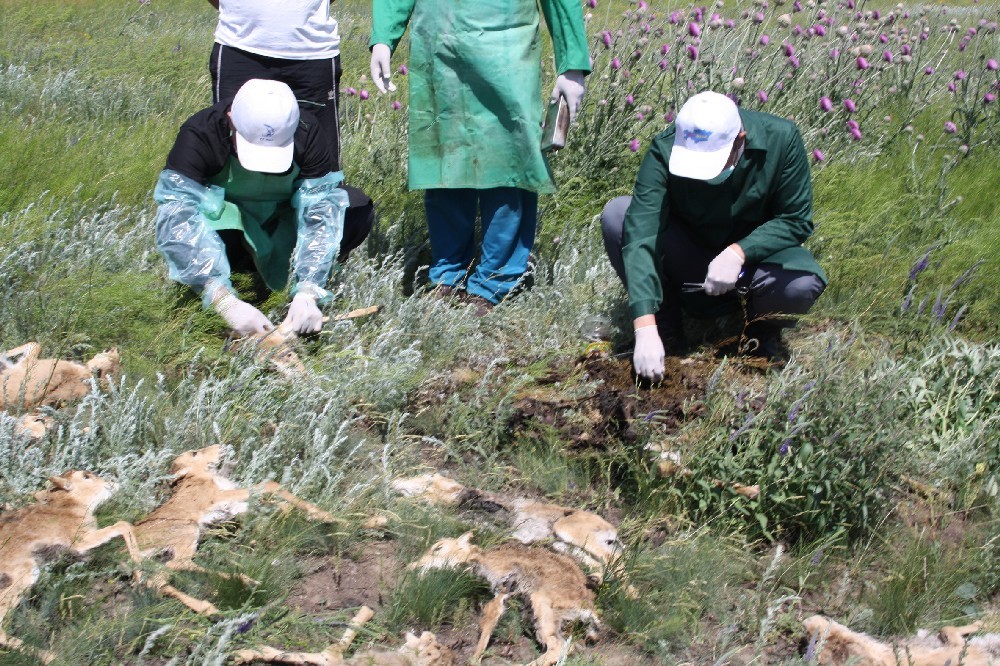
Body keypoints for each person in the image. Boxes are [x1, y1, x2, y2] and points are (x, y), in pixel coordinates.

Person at [369, 0, 590, 312]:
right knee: (447, 154)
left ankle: (495, 279)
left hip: (505, 44)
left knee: (508, 157)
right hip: (440, 44)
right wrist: (383, 37)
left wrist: (572, 62)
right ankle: (448, 274)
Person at [601, 91, 827, 381]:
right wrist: (644, 327)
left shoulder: (781, 139)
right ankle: (666, 329)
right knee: (618, 215)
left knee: (800, 284)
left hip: (752, 265)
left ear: (741, 140)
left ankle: (756, 334)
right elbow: (641, 232)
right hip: (691, 255)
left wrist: (740, 252)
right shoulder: (664, 148)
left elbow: (795, 219)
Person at [154, 79, 370, 336]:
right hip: (230, 223)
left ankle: (295, 290)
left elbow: (320, 212)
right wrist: (223, 301)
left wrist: (309, 290)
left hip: (281, 218)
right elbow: (177, 216)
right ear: (231, 118)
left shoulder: (308, 131)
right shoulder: (201, 133)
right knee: (203, 230)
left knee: (354, 208)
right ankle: (233, 285)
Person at [206, 0, 375, 245]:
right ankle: (240, 257)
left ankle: (314, 260)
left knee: (321, 176)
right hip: (239, 46)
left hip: (311, 52)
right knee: (229, 166)